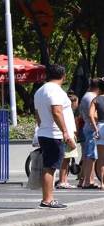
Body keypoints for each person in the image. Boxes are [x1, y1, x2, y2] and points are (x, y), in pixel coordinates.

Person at [33, 64, 77, 209]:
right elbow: (56, 111)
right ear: (63, 76)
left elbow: (37, 114)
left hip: (45, 132)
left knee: (49, 166)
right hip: (54, 134)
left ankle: (48, 198)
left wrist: (42, 127)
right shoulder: (56, 91)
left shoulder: (40, 91)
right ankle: (47, 199)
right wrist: (65, 132)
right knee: (50, 167)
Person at [55, 92, 80, 189]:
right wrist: (70, 137)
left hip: (69, 136)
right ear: (72, 102)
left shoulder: (68, 111)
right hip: (67, 137)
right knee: (65, 160)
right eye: (77, 102)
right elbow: (68, 125)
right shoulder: (67, 111)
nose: (77, 105)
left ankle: (64, 180)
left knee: (67, 160)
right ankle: (62, 180)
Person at [78, 78, 100, 188]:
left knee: (88, 154)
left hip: (87, 126)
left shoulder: (86, 96)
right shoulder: (92, 97)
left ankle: (85, 180)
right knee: (91, 155)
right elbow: (94, 115)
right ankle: (88, 181)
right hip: (92, 127)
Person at [90, 78, 104, 189]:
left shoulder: (96, 99)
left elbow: (91, 115)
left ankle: (102, 183)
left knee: (101, 157)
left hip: (100, 127)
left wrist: (95, 128)